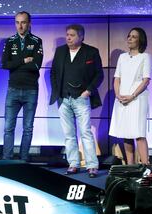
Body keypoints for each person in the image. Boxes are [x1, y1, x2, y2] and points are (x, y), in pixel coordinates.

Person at [50, 24, 103, 178]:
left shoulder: (91, 52)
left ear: (81, 37)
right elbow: (53, 73)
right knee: (69, 134)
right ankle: (73, 163)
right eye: (67, 34)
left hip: (81, 98)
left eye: (72, 35)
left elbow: (99, 75)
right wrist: (57, 92)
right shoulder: (60, 51)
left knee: (85, 132)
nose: (68, 38)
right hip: (63, 99)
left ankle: (92, 165)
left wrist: (88, 91)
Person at [1, 11, 43, 161]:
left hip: (31, 90)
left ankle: (23, 160)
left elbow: (36, 65)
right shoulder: (10, 41)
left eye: (23, 22)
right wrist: (25, 60)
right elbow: (5, 65)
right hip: (13, 89)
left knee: (28, 128)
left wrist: (17, 63)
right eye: (17, 22)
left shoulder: (37, 41)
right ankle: (7, 160)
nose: (20, 26)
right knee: (8, 128)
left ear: (29, 23)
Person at [109, 27, 152, 165]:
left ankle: (145, 166)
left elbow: (146, 80)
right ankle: (130, 166)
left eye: (134, 36)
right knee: (126, 134)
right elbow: (117, 78)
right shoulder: (122, 57)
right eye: (129, 36)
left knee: (139, 133)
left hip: (138, 99)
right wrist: (118, 94)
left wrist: (132, 95)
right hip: (122, 99)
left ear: (141, 40)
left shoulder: (145, 57)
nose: (130, 38)